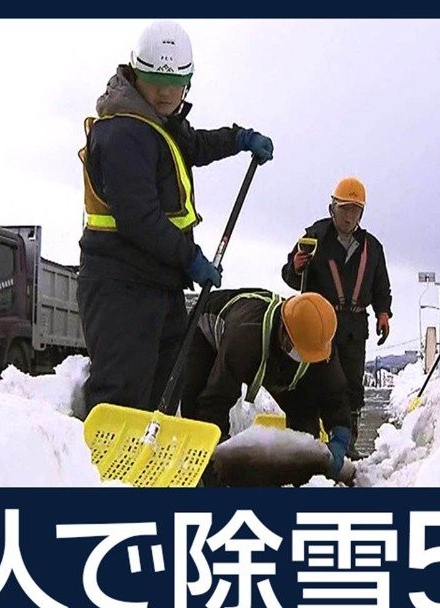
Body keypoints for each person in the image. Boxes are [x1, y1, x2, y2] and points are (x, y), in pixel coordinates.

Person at [77, 20, 274, 416]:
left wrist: (237, 139)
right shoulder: (123, 134)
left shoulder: (156, 121)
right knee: (123, 395)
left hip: (156, 280)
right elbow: (139, 220)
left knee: (164, 387)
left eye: (176, 83)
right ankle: (102, 475)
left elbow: (194, 145)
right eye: (155, 81)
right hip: (122, 285)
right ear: (135, 75)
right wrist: (190, 258)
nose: (166, 92)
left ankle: (149, 472)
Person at [180, 289, 353, 481]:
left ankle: (304, 482)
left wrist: (340, 434)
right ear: (283, 331)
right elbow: (216, 398)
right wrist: (220, 458)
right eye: (296, 351)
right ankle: (200, 473)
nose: (301, 358)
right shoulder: (245, 336)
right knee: (197, 408)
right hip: (206, 332)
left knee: (304, 409)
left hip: (270, 354)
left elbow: (335, 393)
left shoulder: (318, 341)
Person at [280, 177, 392, 458]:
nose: (348, 216)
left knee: (351, 385)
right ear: (332, 208)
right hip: (319, 324)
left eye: (354, 210)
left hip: (355, 327)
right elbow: (290, 277)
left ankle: (347, 443)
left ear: (361, 213)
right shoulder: (314, 237)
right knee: (315, 381)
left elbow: (381, 286)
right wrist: (295, 267)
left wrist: (383, 313)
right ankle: (311, 439)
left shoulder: (373, 248)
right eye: (343, 209)